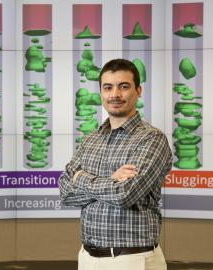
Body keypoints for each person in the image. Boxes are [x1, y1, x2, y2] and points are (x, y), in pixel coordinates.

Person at [59, 58, 172, 270]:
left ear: (138, 91)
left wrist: (80, 177)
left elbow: (124, 195)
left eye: (124, 87)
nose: (115, 95)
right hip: (87, 257)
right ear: (101, 92)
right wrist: (111, 180)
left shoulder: (152, 139)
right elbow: (65, 191)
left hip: (132, 259)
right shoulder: (91, 138)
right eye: (108, 87)